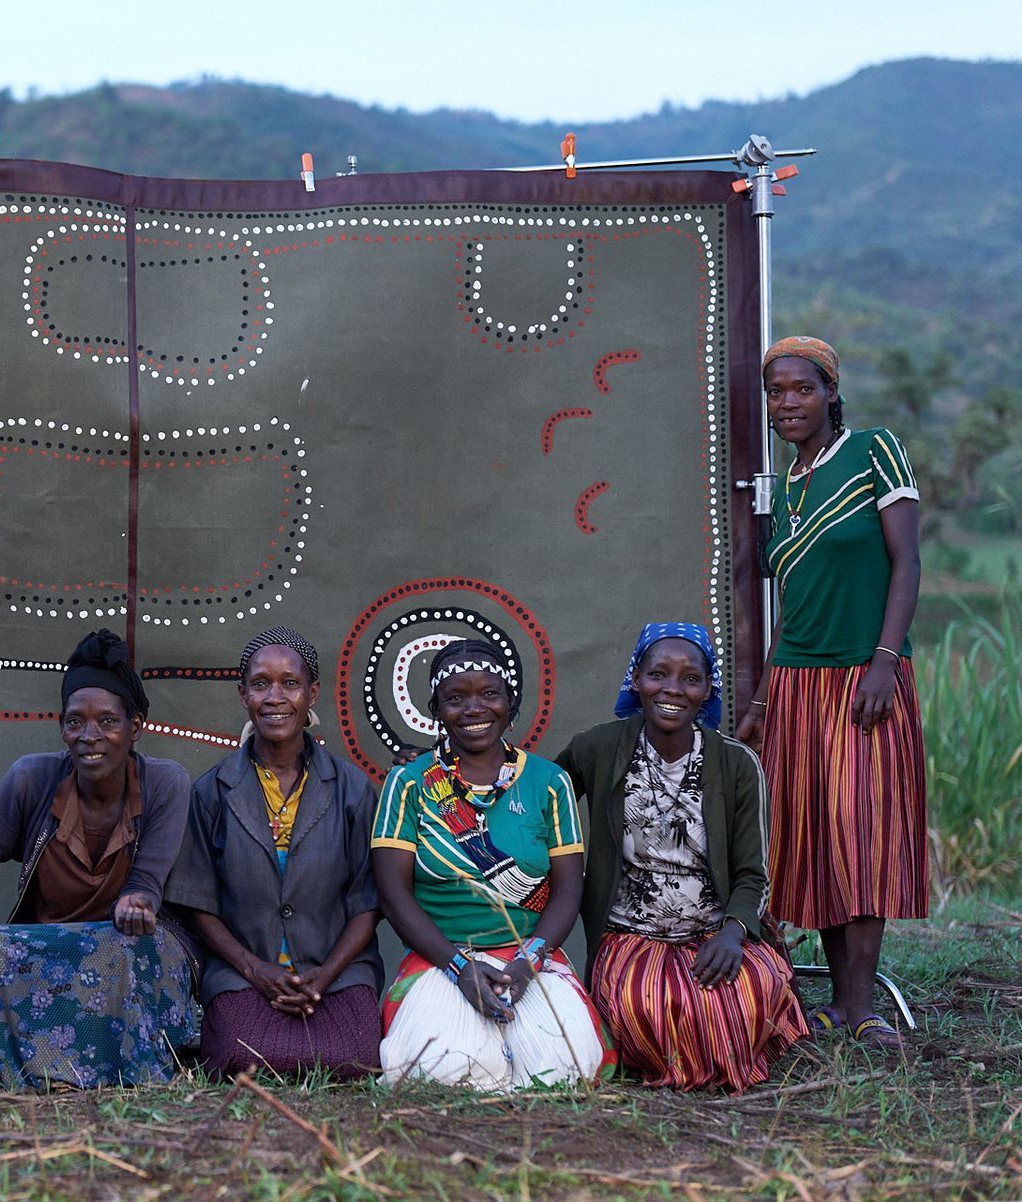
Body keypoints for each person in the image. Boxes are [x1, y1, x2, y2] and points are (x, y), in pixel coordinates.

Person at [739, 336, 926, 1049]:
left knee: (863, 834)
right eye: (776, 393)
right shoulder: (786, 486)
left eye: (801, 390)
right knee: (814, 837)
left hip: (864, 677)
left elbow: (906, 561)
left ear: (829, 392)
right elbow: (794, 599)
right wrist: (759, 700)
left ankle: (863, 1005)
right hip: (797, 683)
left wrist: (884, 661)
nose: (787, 403)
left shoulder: (874, 450)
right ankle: (844, 1007)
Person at [556, 623, 808, 1090]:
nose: (673, 689)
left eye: (690, 678)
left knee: (750, 993)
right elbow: (537, 797)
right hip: (632, 935)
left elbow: (755, 874)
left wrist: (734, 934)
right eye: (658, 674)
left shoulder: (735, 764)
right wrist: (441, 766)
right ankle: (696, 1060)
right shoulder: (599, 748)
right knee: (647, 1004)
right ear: (637, 680)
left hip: (717, 932)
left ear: (707, 689)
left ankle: (712, 1054)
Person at [0, 629, 197, 1088]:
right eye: (75, 722)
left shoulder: (166, 782)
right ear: (62, 726)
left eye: (107, 722)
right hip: (50, 948)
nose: (89, 736)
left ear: (135, 727)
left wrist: (138, 901)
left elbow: (147, 881)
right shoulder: (31, 778)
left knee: (128, 949)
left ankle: (124, 1071)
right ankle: (30, 1071)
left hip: (130, 947)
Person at [373, 639, 612, 1089]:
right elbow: (392, 893)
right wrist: (458, 967)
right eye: (455, 698)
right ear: (436, 709)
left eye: (489, 694)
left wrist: (529, 960)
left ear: (511, 704)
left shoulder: (550, 782)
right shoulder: (408, 783)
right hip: (440, 957)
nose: (474, 708)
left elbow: (567, 889)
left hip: (527, 957)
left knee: (565, 1071)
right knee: (442, 1071)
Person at [167, 628, 382, 1079]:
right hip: (243, 974)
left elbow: (369, 901)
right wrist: (255, 968)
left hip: (338, 973)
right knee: (244, 1060)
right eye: (261, 684)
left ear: (312, 693)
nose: (275, 697)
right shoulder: (211, 791)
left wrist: (325, 973)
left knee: (354, 1059)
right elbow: (197, 903)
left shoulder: (353, 789)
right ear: (243, 694)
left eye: (290, 683)